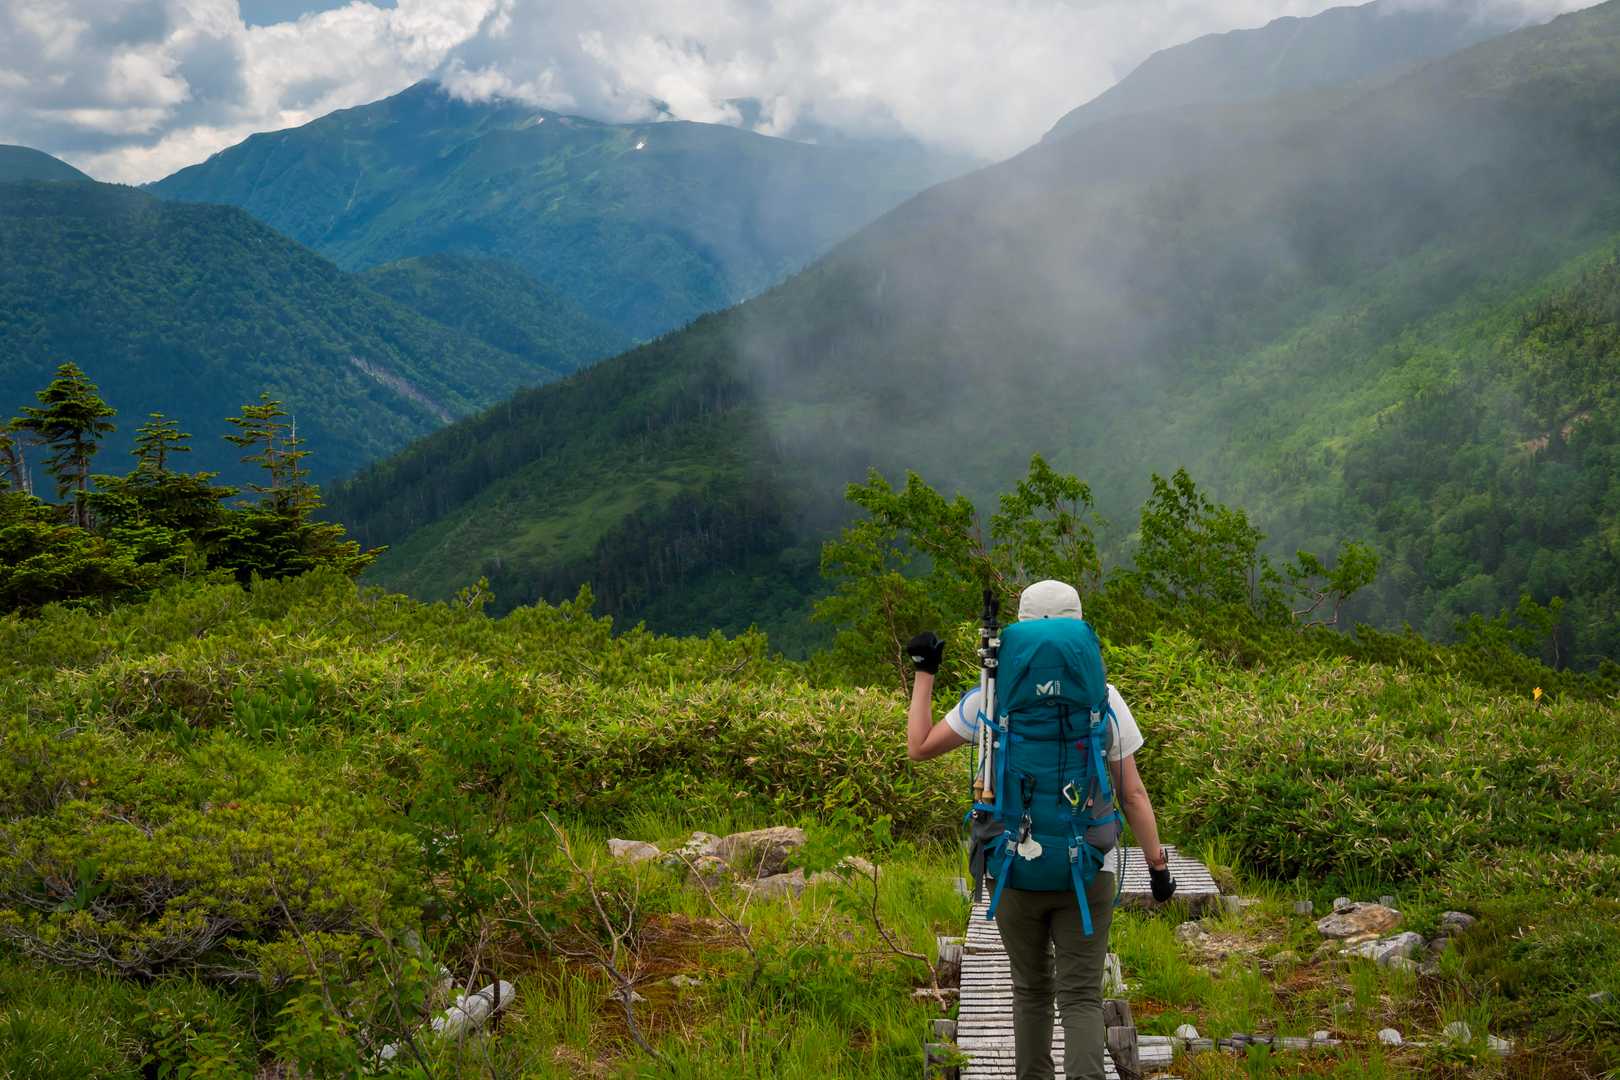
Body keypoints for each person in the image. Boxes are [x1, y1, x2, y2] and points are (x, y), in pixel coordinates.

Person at [903, 579, 1175, 1080]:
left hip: (1013, 869)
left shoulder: (992, 697)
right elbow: (1133, 794)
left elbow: (918, 747)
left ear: (1021, 630)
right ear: (1079, 628)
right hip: (1087, 869)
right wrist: (1158, 869)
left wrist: (925, 671)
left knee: (1030, 992)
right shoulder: (1105, 700)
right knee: (1081, 997)